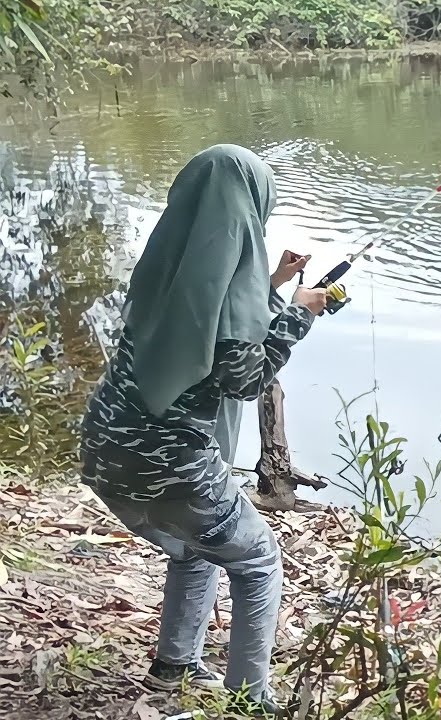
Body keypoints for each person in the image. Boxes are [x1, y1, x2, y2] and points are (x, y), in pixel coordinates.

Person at [78, 144, 327, 716]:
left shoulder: (163, 263)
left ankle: (175, 663)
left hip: (104, 454)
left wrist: (271, 283)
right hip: (171, 466)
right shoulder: (216, 286)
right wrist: (299, 312)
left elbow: (205, 309)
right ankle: (250, 701)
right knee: (259, 563)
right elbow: (242, 376)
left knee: (195, 548)